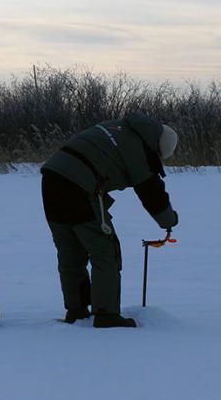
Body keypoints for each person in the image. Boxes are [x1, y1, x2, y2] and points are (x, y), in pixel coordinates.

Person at [40, 113, 178, 328]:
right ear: (157, 147)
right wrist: (169, 221)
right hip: (79, 186)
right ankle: (106, 314)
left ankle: (76, 311)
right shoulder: (138, 150)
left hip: (51, 178)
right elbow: (152, 194)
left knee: (70, 250)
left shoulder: (118, 128)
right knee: (105, 250)